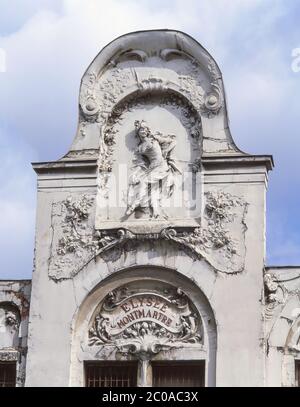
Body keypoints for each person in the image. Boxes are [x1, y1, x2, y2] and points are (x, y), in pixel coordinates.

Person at [126, 120, 180, 219]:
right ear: (138, 132)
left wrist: (166, 151)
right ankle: (156, 212)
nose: (143, 131)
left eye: (145, 129)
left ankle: (133, 205)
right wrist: (139, 171)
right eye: (141, 129)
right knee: (153, 191)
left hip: (161, 167)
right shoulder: (140, 147)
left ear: (148, 131)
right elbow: (141, 162)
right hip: (152, 168)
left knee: (144, 183)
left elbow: (173, 142)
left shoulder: (154, 139)